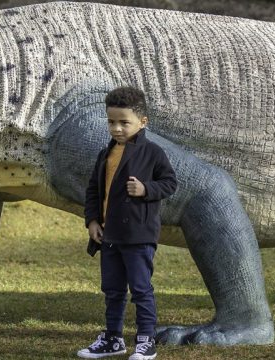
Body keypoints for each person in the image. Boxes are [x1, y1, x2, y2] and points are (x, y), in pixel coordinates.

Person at [78, 86, 177, 360]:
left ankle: (146, 340)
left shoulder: (154, 153)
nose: (117, 128)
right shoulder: (105, 154)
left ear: (142, 122)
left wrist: (146, 190)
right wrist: (92, 220)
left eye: (124, 122)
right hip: (109, 235)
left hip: (138, 235)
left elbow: (170, 183)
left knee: (141, 289)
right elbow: (94, 191)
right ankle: (113, 339)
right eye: (112, 122)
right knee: (112, 290)